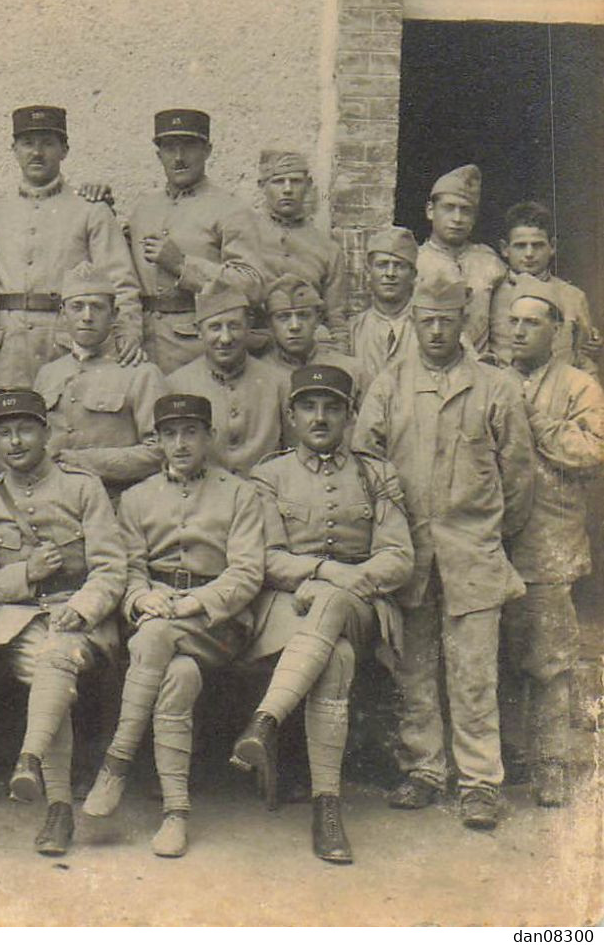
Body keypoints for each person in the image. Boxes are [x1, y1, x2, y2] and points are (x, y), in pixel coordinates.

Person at [352, 273, 534, 832]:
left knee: (474, 672)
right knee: (413, 669)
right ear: (413, 321)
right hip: (409, 553)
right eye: (425, 320)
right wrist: (389, 532)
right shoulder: (388, 386)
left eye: (446, 320)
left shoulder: (494, 387)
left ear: (465, 323)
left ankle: (480, 783)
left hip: (473, 552)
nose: (435, 330)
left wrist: (490, 533)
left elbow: (519, 476)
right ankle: (425, 769)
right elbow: (365, 457)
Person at [232, 365, 413, 863]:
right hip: (290, 602)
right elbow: (265, 557)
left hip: (360, 600)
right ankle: (327, 807)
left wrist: (347, 580)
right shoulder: (269, 475)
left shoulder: (375, 473)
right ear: (291, 415)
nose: (320, 417)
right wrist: (323, 570)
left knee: (334, 606)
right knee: (334, 660)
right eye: (309, 406)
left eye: (332, 407)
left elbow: (399, 556)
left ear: (350, 415)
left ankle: (264, 723)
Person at [81, 393, 265, 858]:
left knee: (156, 637)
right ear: (157, 440)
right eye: (169, 434)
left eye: (190, 433)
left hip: (217, 621)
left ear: (209, 437)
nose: (180, 443)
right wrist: (143, 596)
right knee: (178, 676)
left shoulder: (240, 493)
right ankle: (176, 814)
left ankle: (117, 761)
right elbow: (130, 567)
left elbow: (246, 572)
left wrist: (194, 603)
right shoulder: (137, 498)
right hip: (156, 613)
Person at [0, 390, 126, 856]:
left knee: (56, 656)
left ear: (47, 432)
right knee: (50, 662)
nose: (15, 441)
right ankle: (54, 798)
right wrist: (26, 574)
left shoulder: (82, 487)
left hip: (80, 615)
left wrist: (82, 608)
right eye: (3, 433)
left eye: (25, 429)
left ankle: (35, 767)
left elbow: (111, 567)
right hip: (18, 620)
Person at [499, 288, 604, 808]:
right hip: (493, 541)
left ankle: (553, 765)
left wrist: (536, 421)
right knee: (496, 654)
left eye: (531, 323)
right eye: (512, 321)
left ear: (556, 331)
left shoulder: (579, 385)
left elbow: (591, 451)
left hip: (549, 541)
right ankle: (504, 758)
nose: (518, 331)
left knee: (550, 658)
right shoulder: (489, 377)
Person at [0, 105, 143, 391]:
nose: (37, 153)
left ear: (64, 150)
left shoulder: (90, 211)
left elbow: (120, 283)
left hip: (64, 346)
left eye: (48, 143)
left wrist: (128, 333)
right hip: (5, 356)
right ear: (13, 149)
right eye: (27, 143)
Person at [125, 109, 260, 374]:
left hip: (197, 350)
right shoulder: (143, 209)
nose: (178, 158)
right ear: (158, 155)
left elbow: (252, 287)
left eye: (188, 147)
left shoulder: (230, 209)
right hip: (142, 348)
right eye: (169, 148)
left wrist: (183, 266)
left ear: (207, 151)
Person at [32, 261, 167, 499]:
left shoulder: (141, 373)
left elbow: (160, 450)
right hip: (54, 501)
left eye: (97, 307)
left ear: (114, 314)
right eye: (77, 307)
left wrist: (86, 461)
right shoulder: (48, 374)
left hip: (117, 501)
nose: (87, 317)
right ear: (63, 314)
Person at [166, 280, 291, 474]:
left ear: (248, 327)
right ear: (199, 331)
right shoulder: (176, 385)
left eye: (234, 326)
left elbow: (293, 456)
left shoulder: (279, 382)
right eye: (215, 328)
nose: (225, 338)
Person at [239, 150, 351, 351]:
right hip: (254, 351)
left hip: (308, 350)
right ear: (262, 186)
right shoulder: (242, 238)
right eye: (278, 181)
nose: (288, 189)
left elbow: (336, 318)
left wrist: (339, 354)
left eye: (295, 181)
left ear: (308, 185)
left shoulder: (327, 248)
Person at [487, 200, 599, 375]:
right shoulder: (490, 294)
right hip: (502, 393)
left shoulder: (573, 296)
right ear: (505, 249)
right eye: (520, 246)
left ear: (552, 246)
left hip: (557, 393)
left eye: (537, 245)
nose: (529, 254)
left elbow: (584, 358)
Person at [414, 164, 506, 353]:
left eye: (466, 211)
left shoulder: (490, 263)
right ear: (430, 210)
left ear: (474, 218)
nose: (457, 218)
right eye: (449, 208)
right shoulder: (413, 262)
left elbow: (503, 329)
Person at [262, 275, 368, 398]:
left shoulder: (351, 370)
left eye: (303, 315)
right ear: (269, 324)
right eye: (283, 317)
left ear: (318, 319)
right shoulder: (261, 374)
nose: (295, 326)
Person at [347, 227, 420, 381]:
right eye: (382, 265)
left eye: (399, 266)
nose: (390, 273)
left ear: (413, 275)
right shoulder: (352, 331)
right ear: (368, 272)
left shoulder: (427, 326)